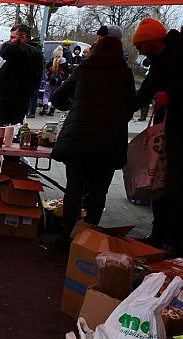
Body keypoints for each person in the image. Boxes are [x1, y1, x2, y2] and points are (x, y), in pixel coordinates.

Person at [50, 31, 135, 241]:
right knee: (99, 190)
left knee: (74, 188)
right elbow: (130, 107)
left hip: (79, 139)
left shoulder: (85, 68)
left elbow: (57, 97)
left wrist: (74, 107)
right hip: (109, 142)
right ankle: (88, 237)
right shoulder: (125, 72)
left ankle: (66, 234)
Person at [133, 18, 183, 257]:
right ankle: (158, 235)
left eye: (140, 45)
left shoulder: (180, 54)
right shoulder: (156, 62)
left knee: (176, 188)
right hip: (163, 130)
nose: (138, 50)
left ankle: (174, 244)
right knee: (159, 183)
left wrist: (171, 95)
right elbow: (147, 91)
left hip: (182, 131)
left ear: (152, 40)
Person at [0, 24, 44, 126]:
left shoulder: (30, 51)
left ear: (23, 38)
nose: (10, 41)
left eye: (13, 38)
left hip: (15, 100)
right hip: (9, 99)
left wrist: (6, 44)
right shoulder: (26, 50)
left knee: (10, 130)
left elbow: (5, 50)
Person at [41, 46, 68, 116]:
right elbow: (67, 72)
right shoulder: (65, 62)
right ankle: (52, 111)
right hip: (59, 82)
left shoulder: (52, 61)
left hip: (50, 81)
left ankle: (45, 108)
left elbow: (47, 70)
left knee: (46, 95)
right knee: (54, 96)